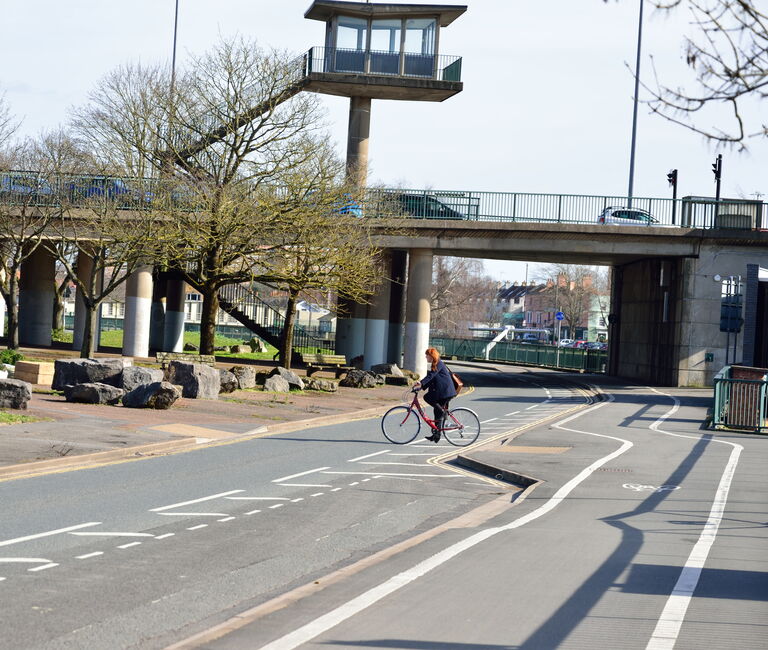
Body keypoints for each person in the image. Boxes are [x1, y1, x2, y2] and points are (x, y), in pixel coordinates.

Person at [413, 347, 457, 443]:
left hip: (446, 392)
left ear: (431, 356)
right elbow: (432, 379)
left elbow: (431, 376)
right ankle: (436, 435)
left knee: (427, 398)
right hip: (444, 391)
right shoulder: (436, 364)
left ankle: (443, 412)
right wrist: (421, 387)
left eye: (427, 355)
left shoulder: (438, 363)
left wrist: (421, 383)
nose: (425, 357)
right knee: (436, 412)